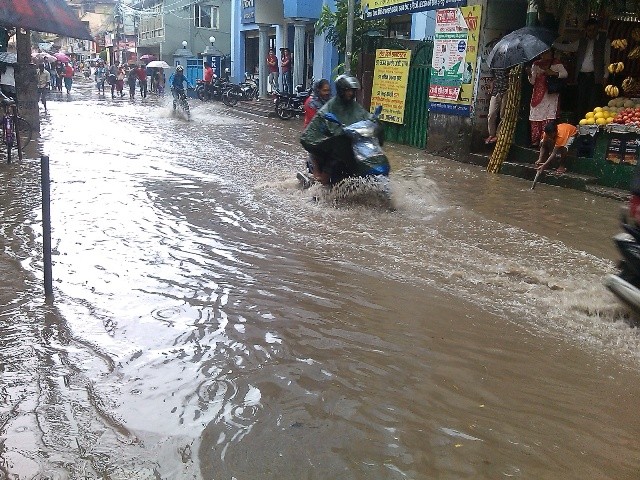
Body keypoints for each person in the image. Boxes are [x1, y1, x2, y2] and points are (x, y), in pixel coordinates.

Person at [301, 75, 372, 185]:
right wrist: (332, 126)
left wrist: (372, 120)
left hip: (341, 133)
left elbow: (361, 114)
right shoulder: (314, 103)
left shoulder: (349, 104)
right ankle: (321, 182)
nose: (350, 94)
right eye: (324, 90)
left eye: (328, 90)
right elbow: (318, 119)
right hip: (320, 133)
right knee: (335, 153)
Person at [553, 18, 610, 121]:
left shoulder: (604, 41)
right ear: (586, 30)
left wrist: (606, 76)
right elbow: (569, 47)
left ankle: (592, 126)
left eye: (593, 29)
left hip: (595, 77)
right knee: (580, 101)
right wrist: (553, 45)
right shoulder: (582, 42)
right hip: (582, 76)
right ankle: (580, 124)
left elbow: (607, 60)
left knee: (593, 103)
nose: (591, 32)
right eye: (589, 30)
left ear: (597, 29)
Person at [527, 49, 568, 147]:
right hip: (537, 94)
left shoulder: (556, 63)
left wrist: (553, 73)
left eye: (548, 52)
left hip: (550, 94)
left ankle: (546, 140)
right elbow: (532, 81)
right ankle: (536, 140)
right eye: (543, 53)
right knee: (536, 116)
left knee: (548, 115)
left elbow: (565, 74)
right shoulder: (536, 64)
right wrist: (529, 74)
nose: (545, 55)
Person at [485, 68, 509, 144]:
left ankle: (498, 134)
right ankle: (491, 134)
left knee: (503, 115)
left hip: (506, 91)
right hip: (496, 91)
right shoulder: (495, 65)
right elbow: (493, 78)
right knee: (491, 114)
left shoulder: (510, 65)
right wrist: (491, 88)